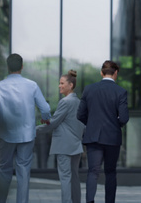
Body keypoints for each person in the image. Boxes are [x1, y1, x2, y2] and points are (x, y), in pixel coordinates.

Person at [0, 53, 51, 203]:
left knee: (4, 170)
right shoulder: (32, 85)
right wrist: (45, 118)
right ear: (22, 66)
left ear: (8, 67)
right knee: (24, 172)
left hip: (6, 135)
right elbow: (44, 107)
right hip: (26, 136)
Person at [77, 60, 129, 203]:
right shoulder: (121, 92)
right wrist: (114, 124)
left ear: (101, 72)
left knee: (93, 172)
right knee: (110, 172)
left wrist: (93, 124)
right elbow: (124, 118)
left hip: (93, 137)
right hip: (112, 138)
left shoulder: (89, 89)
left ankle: (89, 201)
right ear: (116, 73)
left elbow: (80, 114)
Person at [37, 70, 85, 203]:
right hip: (75, 145)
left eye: (62, 83)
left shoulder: (65, 102)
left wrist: (34, 130)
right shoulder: (79, 102)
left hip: (64, 146)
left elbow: (53, 123)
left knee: (65, 178)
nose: (59, 86)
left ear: (71, 85)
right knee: (74, 177)